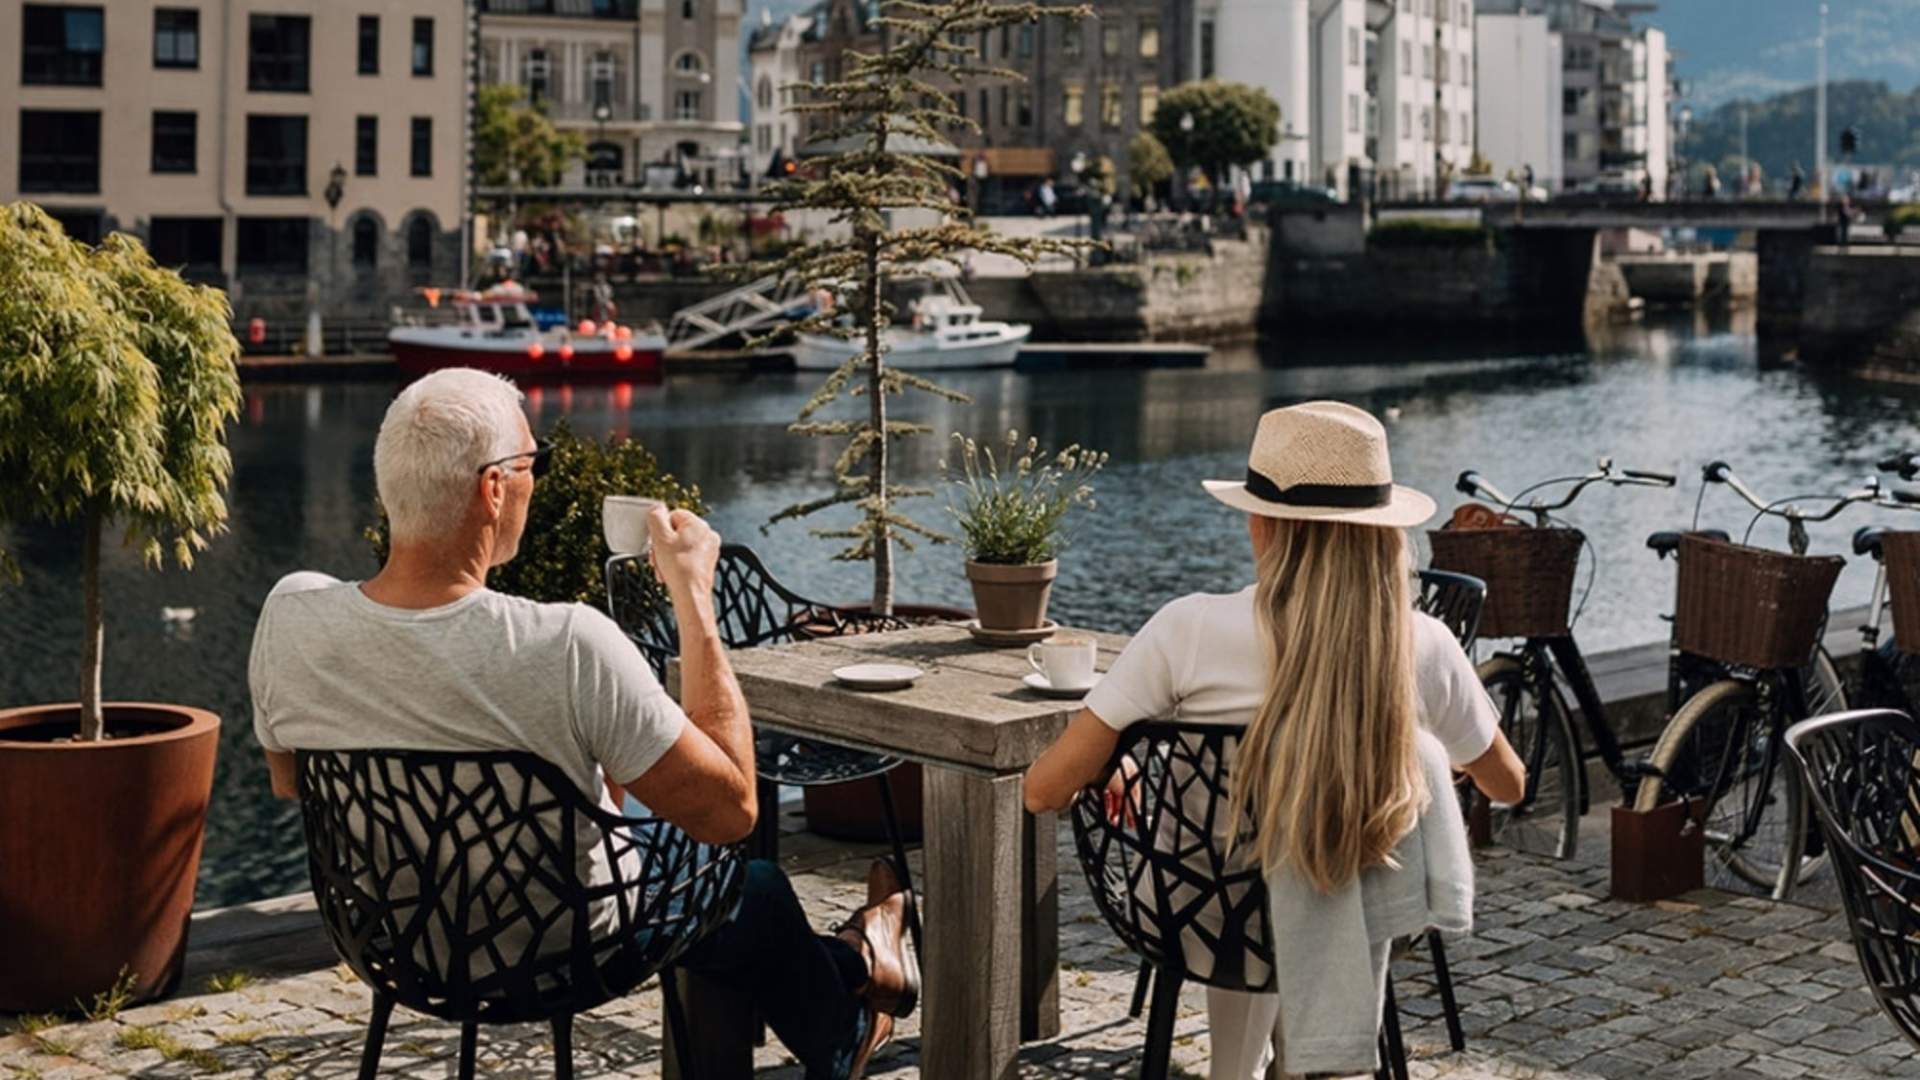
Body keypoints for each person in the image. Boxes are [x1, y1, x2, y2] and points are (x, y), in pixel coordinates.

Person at [249, 369, 916, 1080]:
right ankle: (849, 998)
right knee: (749, 884)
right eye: (535, 464)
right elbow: (731, 811)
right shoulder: (566, 643)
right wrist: (693, 596)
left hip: (395, 944)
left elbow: (292, 782)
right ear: (493, 488)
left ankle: (856, 957)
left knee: (727, 888)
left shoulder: (291, 614)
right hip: (563, 947)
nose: (537, 481)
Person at [1023, 401, 1525, 1080]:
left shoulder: (1187, 628)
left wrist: (1134, 772)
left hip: (1198, 916)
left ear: (1262, 524)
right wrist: (1422, 764)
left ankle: (1237, 1068)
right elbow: (1508, 783)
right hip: (1359, 906)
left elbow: (1044, 789)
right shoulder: (1420, 643)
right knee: (1308, 868)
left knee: (1239, 873)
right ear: (1379, 534)